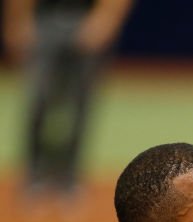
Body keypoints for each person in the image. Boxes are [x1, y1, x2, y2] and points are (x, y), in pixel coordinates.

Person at [3, 0, 134, 205]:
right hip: (43, 20)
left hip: (84, 18)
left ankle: (69, 179)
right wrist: (18, 20)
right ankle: (34, 176)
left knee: (81, 105)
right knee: (38, 100)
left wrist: (104, 18)